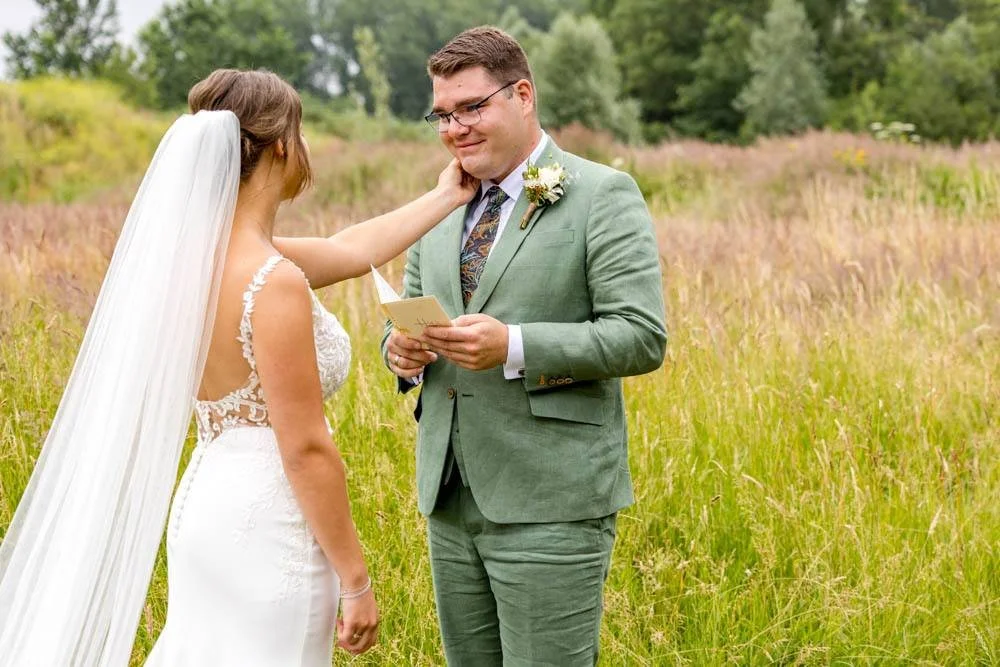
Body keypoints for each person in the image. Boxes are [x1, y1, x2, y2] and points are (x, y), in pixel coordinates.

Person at [0, 69, 477, 666]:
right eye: (299, 137)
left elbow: (352, 249)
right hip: (268, 520)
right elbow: (304, 446)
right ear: (281, 145)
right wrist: (355, 578)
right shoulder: (271, 281)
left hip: (208, 502)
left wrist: (447, 195)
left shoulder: (191, 264)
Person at [381, 26, 667, 666]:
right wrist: (399, 353)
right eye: (443, 115)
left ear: (523, 95)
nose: (456, 128)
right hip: (450, 496)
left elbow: (641, 337)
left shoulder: (602, 194)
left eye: (473, 107)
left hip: (551, 499)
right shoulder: (439, 205)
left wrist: (514, 345)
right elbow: (406, 313)